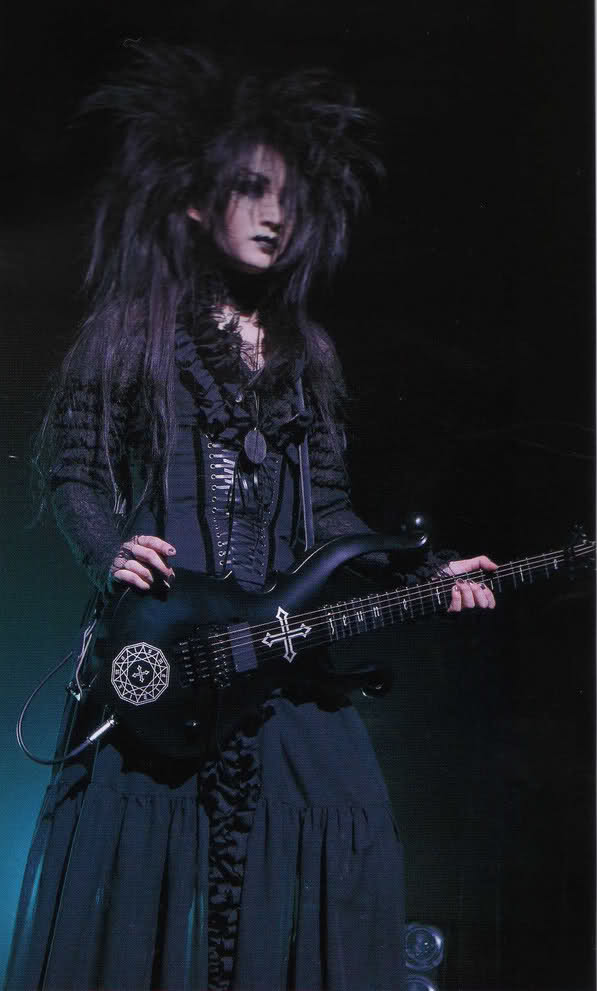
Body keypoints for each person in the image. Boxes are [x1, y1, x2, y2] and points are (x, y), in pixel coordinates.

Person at [5, 44, 496, 991]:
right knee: (146, 865)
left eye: (291, 198)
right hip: (163, 647)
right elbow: (75, 472)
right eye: (252, 189)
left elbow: (328, 511)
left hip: (279, 652)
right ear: (197, 201)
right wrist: (111, 548)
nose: (276, 214)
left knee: (341, 820)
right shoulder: (135, 327)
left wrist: (422, 572)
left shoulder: (308, 351)